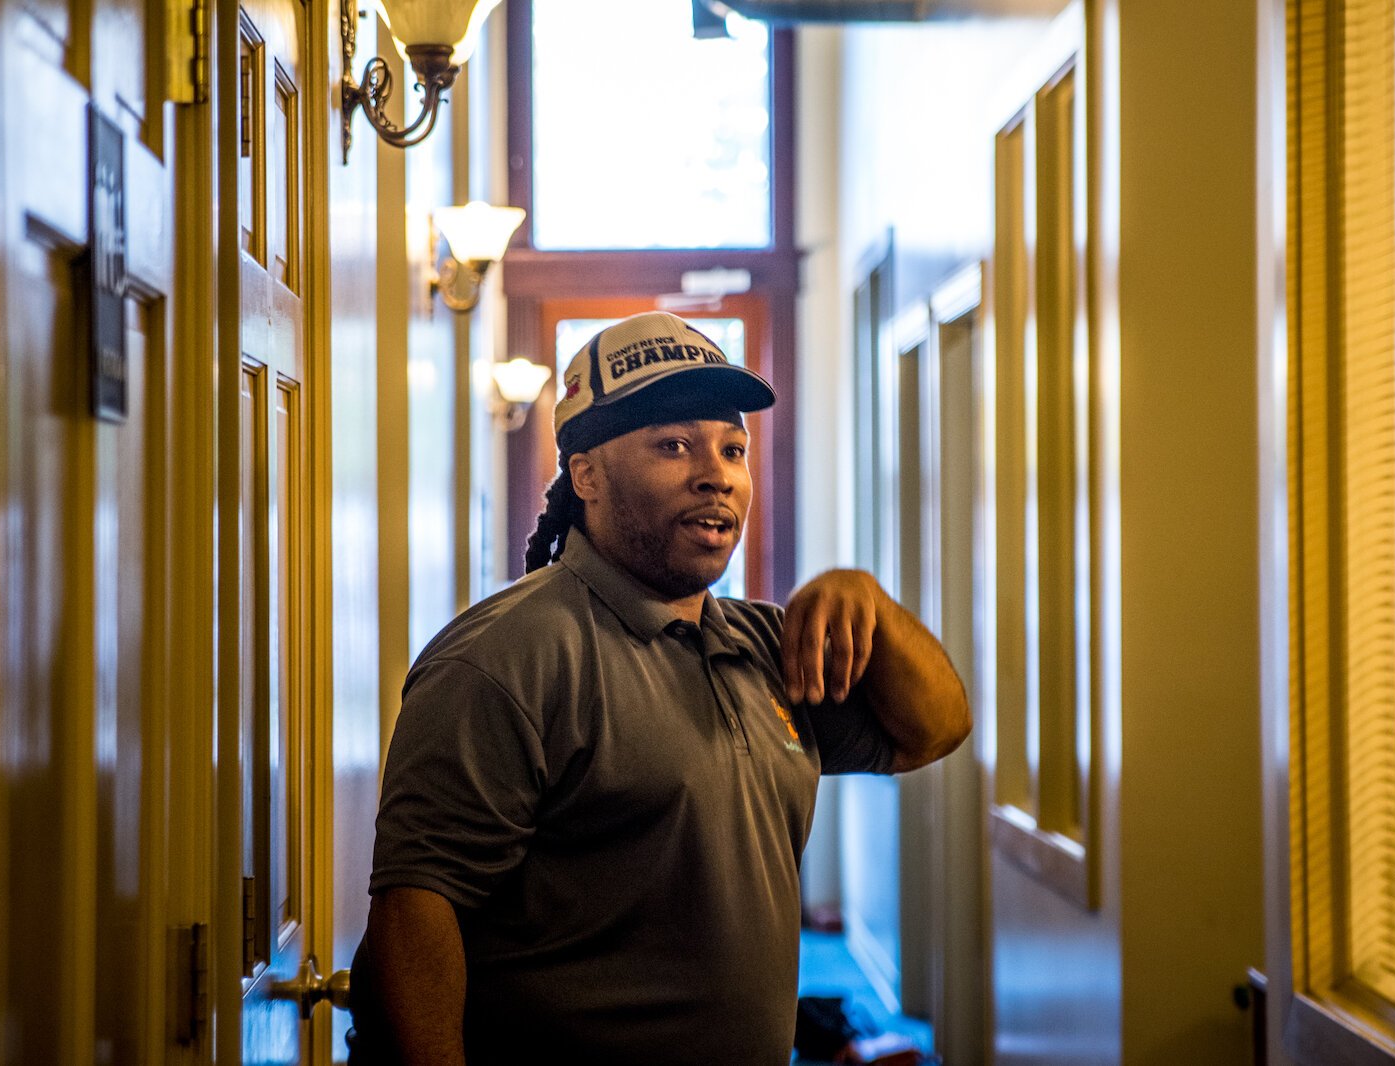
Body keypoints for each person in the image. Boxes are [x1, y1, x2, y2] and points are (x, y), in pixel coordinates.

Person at [352, 311, 970, 1066]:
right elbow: (416, 908)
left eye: (733, 449)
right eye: (672, 445)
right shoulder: (505, 656)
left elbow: (932, 730)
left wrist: (868, 600)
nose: (715, 474)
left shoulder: (763, 644)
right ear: (586, 475)